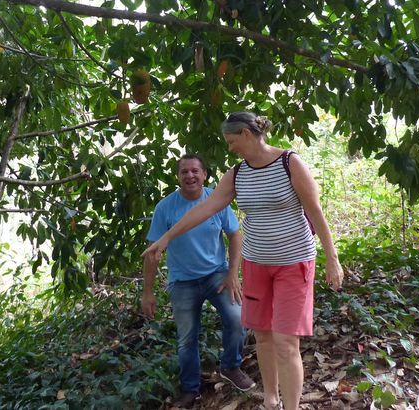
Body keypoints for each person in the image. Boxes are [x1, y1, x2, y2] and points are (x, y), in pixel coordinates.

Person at [144, 113, 344, 410]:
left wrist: (332, 258)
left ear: (247, 135)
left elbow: (315, 212)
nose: (230, 148)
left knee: (286, 342)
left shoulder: (290, 163)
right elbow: (205, 209)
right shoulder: (237, 174)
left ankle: (291, 406)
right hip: (256, 264)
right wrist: (167, 238)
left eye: (232, 141)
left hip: (294, 262)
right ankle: (270, 399)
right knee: (263, 336)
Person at [142, 153, 255, 408]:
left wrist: (232, 274)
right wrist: (147, 292)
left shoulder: (217, 200)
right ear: (178, 177)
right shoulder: (165, 208)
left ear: (205, 174)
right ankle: (191, 389)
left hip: (216, 274)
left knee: (238, 319)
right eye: (184, 172)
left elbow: (235, 235)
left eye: (195, 171)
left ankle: (230, 367)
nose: (190, 176)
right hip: (182, 281)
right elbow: (152, 252)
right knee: (186, 339)